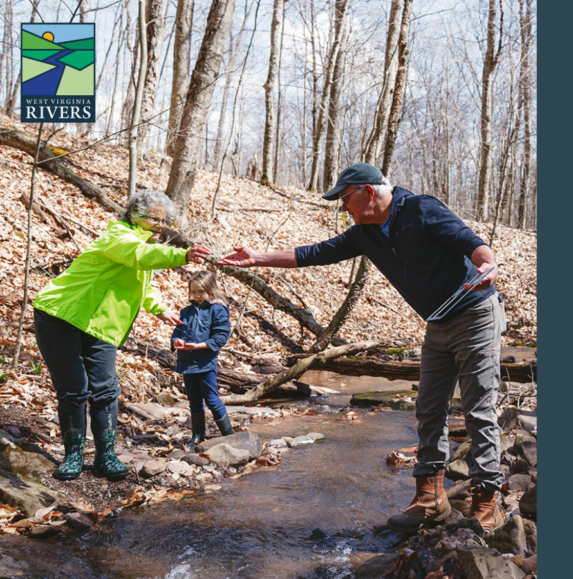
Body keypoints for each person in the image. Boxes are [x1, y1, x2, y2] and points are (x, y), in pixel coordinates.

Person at [219, 163, 506, 532]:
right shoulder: (364, 233)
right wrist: (258, 257)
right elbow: (313, 254)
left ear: (367, 192)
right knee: (428, 408)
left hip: (475, 312)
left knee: (477, 407)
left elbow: (470, 242)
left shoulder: (421, 209)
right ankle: (430, 499)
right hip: (437, 323)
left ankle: (487, 501)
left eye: (344, 198)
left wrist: (487, 263)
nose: (343, 207)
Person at [33, 189, 211, 481]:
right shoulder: (117, 236)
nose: (161, 226)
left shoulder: (144, 245)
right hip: (61, 316)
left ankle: (106, 456)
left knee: (105, 390)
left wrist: (159, 309)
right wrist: (182, 255)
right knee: (74, 389)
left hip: (101, 325)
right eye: (156, 219)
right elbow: (137, 255)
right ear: (135, 215)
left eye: (165, 222)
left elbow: (140, 279)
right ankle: (73, 457)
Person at [172, 270, 234, 450]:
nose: (197, 296)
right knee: (194, 400)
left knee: (212, 399)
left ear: (211, 291)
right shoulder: (186, 312)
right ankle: (198, 436)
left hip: (205, 363)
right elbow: (177, 332)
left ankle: (228, 435)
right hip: (186, 362)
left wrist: (198, 346)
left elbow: (220, 337)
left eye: (201, 292)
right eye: (194, 292)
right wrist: (176, 341)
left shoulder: (217, 310)